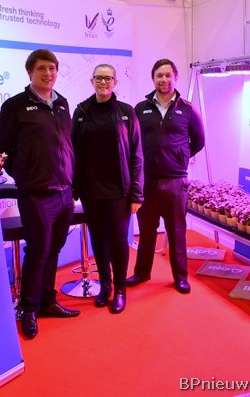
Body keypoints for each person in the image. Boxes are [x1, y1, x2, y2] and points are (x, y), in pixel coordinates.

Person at [0, 49, 79, 339]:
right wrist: (26, 175)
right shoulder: (15, 106)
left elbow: (67, 145)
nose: (48, 73)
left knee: (54, 250)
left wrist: (71, 182)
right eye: (42, 68)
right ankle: (29, 308)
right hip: (36, 194)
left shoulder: (62, 103)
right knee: (38, 252)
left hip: (64, 192)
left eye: (52, 68)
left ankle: (47, 301)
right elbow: (2, 150)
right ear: (30, 72)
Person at [126, 59, 205, 294]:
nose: (164, 79)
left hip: (175, 182)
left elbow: (199, 141)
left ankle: (181, 277)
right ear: (153, 79)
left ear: (175, 77)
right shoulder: (140, 109)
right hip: (147, 181)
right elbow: (132, 141)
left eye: (168, 75)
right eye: (159, 75)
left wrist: (180, 157)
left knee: (177, 231)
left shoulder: (187, 109)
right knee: (146, 231)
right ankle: (142, 273)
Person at [72, 64, 144, 314]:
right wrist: (73, 188)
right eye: (99, 78)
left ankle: (120, 289)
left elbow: (137, 154)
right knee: (98, 238)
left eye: (108, 78)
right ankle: (105, 286)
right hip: (90, 189)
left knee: (118, 240)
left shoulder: (126, 112)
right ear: (92, 81)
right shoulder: (81, 111)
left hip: (119, 190)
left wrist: (137, 193)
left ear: (115, 82)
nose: (103, 82)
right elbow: (73, 151)